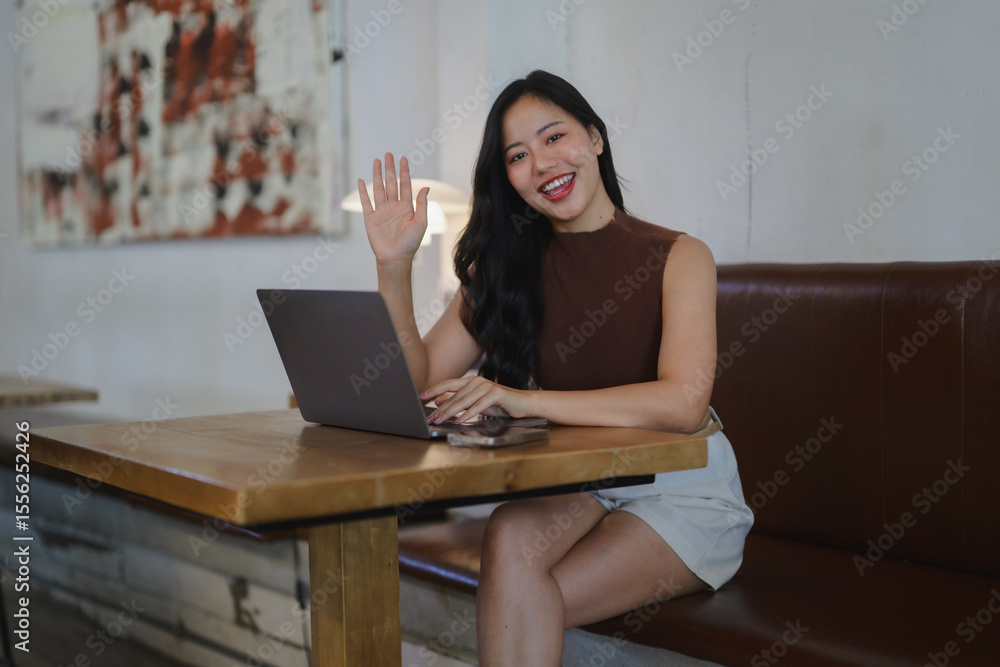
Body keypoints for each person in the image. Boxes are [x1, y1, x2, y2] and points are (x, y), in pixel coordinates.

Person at [357, 70, 753, 666]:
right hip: (587, 482)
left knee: (518, 602)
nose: (541, 164)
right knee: (510, 533)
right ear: (508, 179)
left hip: (684, 490)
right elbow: (413, 383)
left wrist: (526, 400)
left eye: (554, 137)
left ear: (594, 138)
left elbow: (682, 404)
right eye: (518, 155)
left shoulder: (679, 255)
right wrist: (393, 269)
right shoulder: (505, 270)